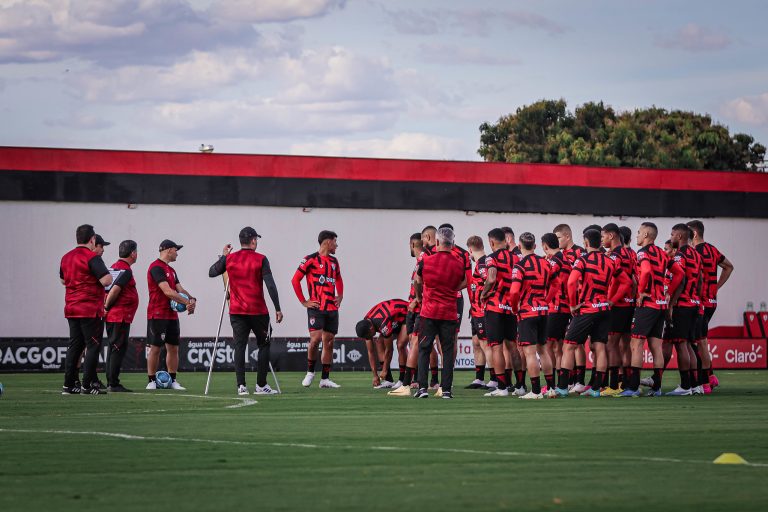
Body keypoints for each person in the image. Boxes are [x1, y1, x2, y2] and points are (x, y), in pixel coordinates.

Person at [209, 227, 283, 395]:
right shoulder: (261, 259)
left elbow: (212, 272)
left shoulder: (230, 259)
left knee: (239, 347)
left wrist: (224, 256)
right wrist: (278, 308)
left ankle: (241, 386)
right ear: (253, 241)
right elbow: (270, 285)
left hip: (236, 312)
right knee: (264, 345)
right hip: (258, 312)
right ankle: (261, 385)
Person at [555, 229, 627, 398]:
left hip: (587, 308)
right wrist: (612, 300)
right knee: (600, 347)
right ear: (599, 242)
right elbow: (626, 283)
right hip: (604, 309)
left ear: (586, 243)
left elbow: (571, 282)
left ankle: (563, 388)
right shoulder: (610, 261)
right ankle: (596, 389)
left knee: (569, 345)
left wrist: (573, 305)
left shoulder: (582, 260)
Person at [616, 223, 680, 397]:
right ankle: (657, 388)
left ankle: (634, 387)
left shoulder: (643, 252)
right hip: (660, 305)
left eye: (638, 233)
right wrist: (668, 295)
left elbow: (644, 272)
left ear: (645, 234)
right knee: (655, 347)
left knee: (636, 344)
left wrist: (642, 292)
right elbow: (680, 273)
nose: (636, 236)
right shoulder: (661, 252)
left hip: (648, 305)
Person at [411, 226, 466, 399]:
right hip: (449, 312)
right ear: (452, 243)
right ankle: (447, 390)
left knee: (424, 349)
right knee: (448, 351)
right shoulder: (459, 262)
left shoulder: (426, 260)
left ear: (436, 242)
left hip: (429, 311)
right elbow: (464, 281)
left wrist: (420, 296)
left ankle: (422, 389)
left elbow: (417, 279)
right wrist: (450, 290)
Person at [60, 224, 113, 395]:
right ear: (92, 239)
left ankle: (69, 385)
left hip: (71, 307)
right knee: (92, 346)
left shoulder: (66, 257)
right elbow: (106, 280)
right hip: (89, 308)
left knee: (74, 346)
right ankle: (87, 384)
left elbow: (63, 280)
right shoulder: (92, 257)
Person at [292, 230, 343, 389]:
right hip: (316, 307)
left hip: (331, 309)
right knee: (315, 340)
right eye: (335, 241)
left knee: (329, 341)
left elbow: (339, 279)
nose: (336, 245)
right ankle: (310, 372)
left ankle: (325, 379)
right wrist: (304, 301)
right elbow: (295, 280)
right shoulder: (310, 259)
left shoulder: (334, 262)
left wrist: (340, 295)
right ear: (327, 242)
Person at [687, 220, 734, 393]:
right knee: (701, 340)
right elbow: (729, 267)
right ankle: (710, 376)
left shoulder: (694, 253)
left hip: (699, 302)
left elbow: (696, 278)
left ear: (695, 234)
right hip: (712, 302)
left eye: (687, 233)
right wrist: (716, 287)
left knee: (696, 342)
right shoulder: (712, 250)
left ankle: (704, 381)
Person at [509, 232, 555, 399]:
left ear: (519, 247)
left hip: (528, 312)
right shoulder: (546, 263)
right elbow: (556, 284)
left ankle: (535, 391)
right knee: (543, 350)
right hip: (543, 310)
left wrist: (515, 308)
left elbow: (514, 292)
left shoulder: (519, 265)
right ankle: (551, 389)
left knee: (529, 353)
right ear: (535, 246)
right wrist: (546, 300)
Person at [146, 239, 196, 391]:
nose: (177, 253)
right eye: (176, 250)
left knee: (173, 348)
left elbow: (180, 290)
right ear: (168, 250)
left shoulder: (172, 271)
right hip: (157, 313)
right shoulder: (155, 267)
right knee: (155, 348)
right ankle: (152, 381)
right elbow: (167, 291)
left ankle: (173, 380)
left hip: (171, 316)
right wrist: (186, 302)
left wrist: (192, 299)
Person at [666, 224, 703, 396]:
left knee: (681, 345)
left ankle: (685, 386)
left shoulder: (680, 255)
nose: (671, 237)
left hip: (683, 306)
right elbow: (701, 280)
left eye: (673, 234)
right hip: (695, 304)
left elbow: (680, 281)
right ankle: (696, 385)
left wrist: (671, 304)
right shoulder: (696, 254)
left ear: (680, 236)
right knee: (689, 345)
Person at [481, 228, 518, 397]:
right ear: (506, 240)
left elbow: (492, 277)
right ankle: (520, 386)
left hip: (495, 307)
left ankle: (502, 387)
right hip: (511, 307)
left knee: (496, 347)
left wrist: (483, 293)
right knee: (513, 347)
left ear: (491, 242)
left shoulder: (491, 258)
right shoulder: (517, 257)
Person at [601, 223, 637, 396]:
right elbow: (635, 280)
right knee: (625, 345)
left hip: (618, 305)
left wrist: (611, 301)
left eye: (603, 236)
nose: (602, 239)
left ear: (612, 235)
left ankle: (614, 385)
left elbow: (624, 282)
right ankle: (626, 383)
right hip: (630, 304)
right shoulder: (631, 253)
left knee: (611, 345)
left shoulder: (614, 256)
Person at [553, 223, 587, 391]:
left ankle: (580, 381)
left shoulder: (580, 252)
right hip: (560, 305)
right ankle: (568, 379)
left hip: (577, 304)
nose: (557, 241)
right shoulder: (557, 255)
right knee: (561, 344)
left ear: (567, 236)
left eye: (558, 237)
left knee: (578, 344)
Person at [103, 240, 139, 392]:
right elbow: (114, 291)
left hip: (115, 316)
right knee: (117, 348)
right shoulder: (125, 270)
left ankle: (111, 381)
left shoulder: (114, 267)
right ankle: (113, 383)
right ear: (133, 253)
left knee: (113, 348)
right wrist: (106, 306)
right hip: (120, 316)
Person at [356, 299, 409, 388]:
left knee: (400, 345)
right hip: (394, 319)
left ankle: (402, 379)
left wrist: (384, 370)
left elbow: (389, 350)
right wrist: (375, 375)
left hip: (407, 315)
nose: (368, 339)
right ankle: (389, 380)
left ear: (371, 329)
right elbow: (370, 352)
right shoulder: (366, 323)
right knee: (379, 342)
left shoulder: (383, 323)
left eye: (368, 336)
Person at [541, 232, 570, 393]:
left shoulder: (555, 261)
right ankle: (560, 385)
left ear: (545, 246)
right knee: (558, 347)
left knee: (549, 347)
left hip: (555, 307)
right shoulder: (564, 258)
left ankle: (552, 385)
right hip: (564, 307)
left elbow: (546, 280)